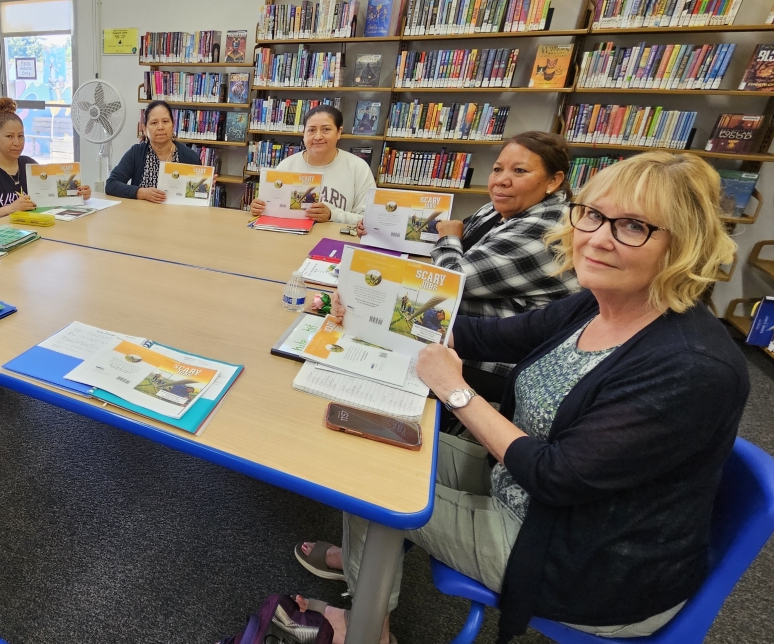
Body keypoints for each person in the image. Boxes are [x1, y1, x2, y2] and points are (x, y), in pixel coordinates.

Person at [299, 152, 746, 644]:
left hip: (587, 562)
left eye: (633, 226)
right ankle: (368, 593)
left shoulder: (691, 365)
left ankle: (367, 631)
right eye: (593, 215)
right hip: (527, 489)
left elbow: (557, 477)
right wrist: (371, 309)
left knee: (368, 485)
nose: (597, 238)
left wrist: (456, 391)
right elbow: (491, 336)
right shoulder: (600, 304)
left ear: (684, 245)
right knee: (362, 439)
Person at [356, 132, 581, 402]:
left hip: (497, 359)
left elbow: (451, 281)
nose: (501, 180)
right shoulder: (501, 208)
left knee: (370, 350)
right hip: (461, 328)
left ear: (553, 181)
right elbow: (451, 243)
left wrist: (448, 238)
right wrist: (380, 229)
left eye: (519, 171)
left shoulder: (547, 229)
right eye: (497, 169)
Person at [0, 97, 90, 221]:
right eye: (10, 136)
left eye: (21, 136)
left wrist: (78, 194)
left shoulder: (29, 164)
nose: (17, 142)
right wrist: (10, 209)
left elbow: (51, 197)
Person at [249, 105, 375, 225]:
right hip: (292, 240)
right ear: (303, 134)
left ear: (339, 132)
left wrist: (332, 215)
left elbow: (368, 219)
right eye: (311, 130)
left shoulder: (358, 168)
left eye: (326, 129)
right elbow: (273, 209)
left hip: (336, 240)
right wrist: (260, 208)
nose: (318, 136)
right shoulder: (287, 166)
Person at [105, 100, 203, 202]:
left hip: (176, 216)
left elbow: (196, 198)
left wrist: (203, 186)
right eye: (154, 122)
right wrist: (141, 192)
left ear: (173, 125)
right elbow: (111, 185)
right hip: (142, 215)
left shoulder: (190, 157)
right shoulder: (136, 153)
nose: (160, 127)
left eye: (165, 121)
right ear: (145, 129)